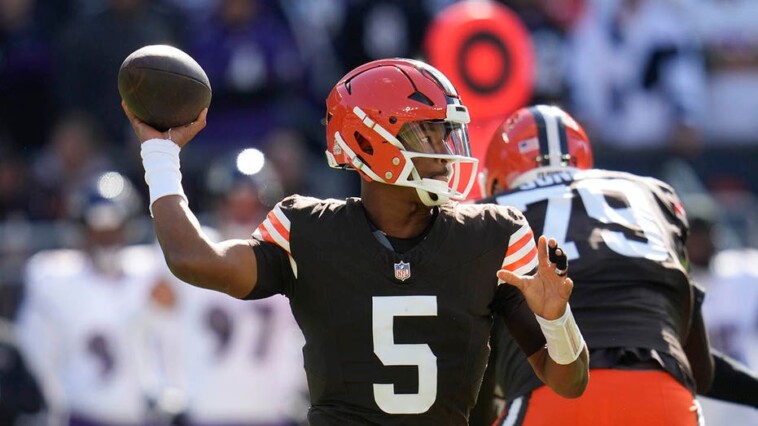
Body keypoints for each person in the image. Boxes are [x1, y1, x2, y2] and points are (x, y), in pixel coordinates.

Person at [121, 58, 589, 424]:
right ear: (371, 141)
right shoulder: (309, 229)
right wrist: (160, 153)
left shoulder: (492, 234)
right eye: (429, 133)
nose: (447, 152)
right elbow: (191, 258)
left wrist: (558, 321)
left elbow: (568, 381)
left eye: (447, 134)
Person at [476, 104, 758, 425]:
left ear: (497, 181)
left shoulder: (486, 217)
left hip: (551, 399)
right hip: (664, 399)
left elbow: (474, 357)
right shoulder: (652, 196)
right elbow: (699, 368)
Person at [15, 171, 183, 425]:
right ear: (81, 230)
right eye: (98, 231)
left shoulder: (149, 273)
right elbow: (37, 359)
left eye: (114, 230)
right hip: (82, 415)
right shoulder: (54, 280)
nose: (107, 240)